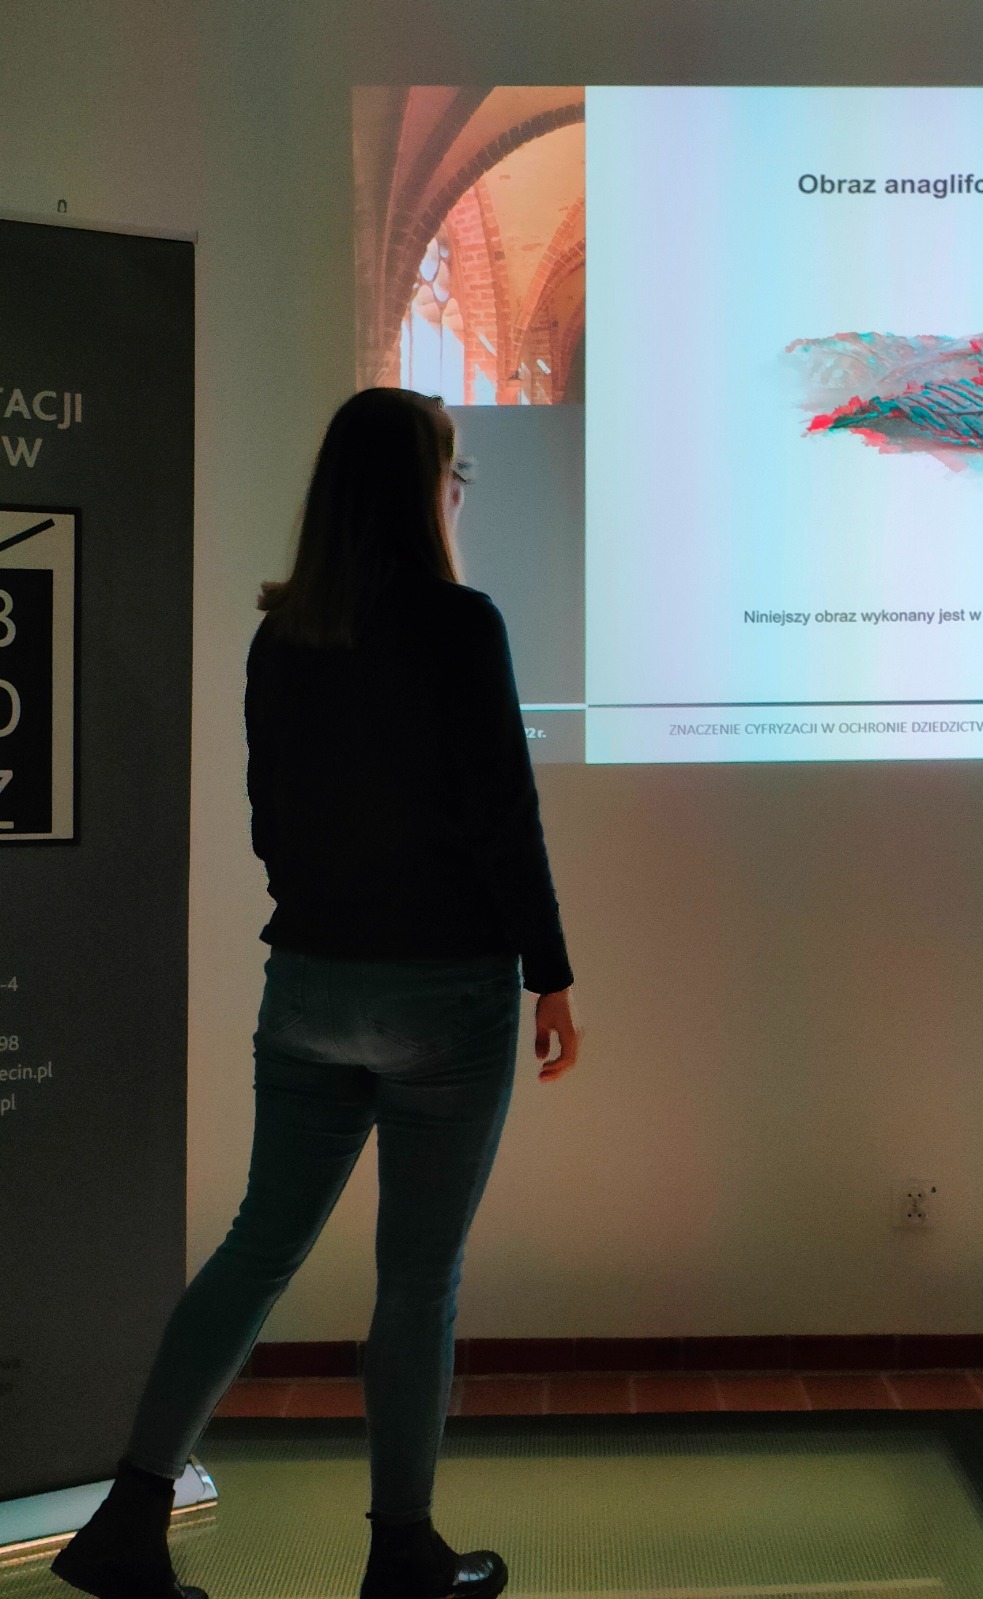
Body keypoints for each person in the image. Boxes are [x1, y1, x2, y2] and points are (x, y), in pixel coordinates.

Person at [52, 387, 580, 1599]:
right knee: (417, 1280)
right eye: (454, 470)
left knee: (257, 1249)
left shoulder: (281, 637)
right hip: (446, 998)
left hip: (309, 989)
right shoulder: (462, 625)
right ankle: (401, 1552)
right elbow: (505, 820)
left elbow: (270, 824)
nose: (459, 491)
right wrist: (549, 974)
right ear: (421, 490)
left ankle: (128, 1519)